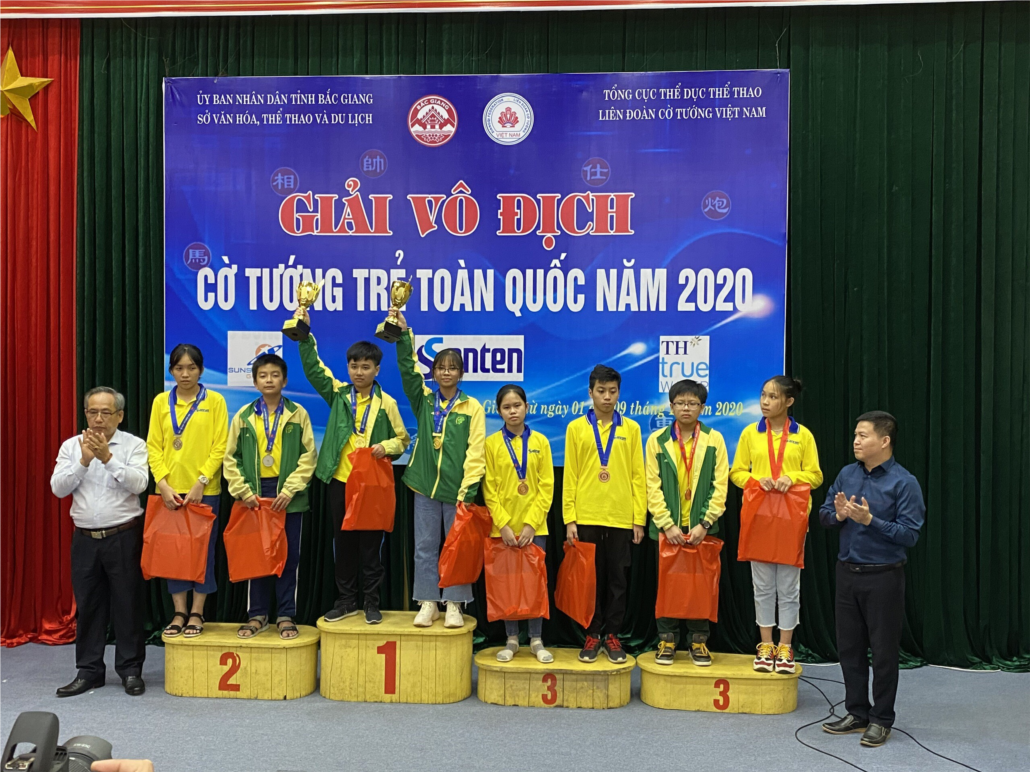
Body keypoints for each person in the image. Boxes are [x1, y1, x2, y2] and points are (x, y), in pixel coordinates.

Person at [819, 411, 925, 748]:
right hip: (846, 574)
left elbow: (909, 535)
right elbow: (823, 515)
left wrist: (870, 521)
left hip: (883, 578)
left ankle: (881, 719)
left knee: (883, 652)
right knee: (849, 649)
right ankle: (857, 712)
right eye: (855, 435)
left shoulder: (904, 482)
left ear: (884, 440)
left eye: (863, 435)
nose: (856, 441)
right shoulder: (847, 474)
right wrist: (837, 515)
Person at [295, 312, 410, 624]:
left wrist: (385, 447)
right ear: (348, 368)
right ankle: (346, 601)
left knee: (371, 547)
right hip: (341, 481)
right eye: (354, 366)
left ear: (377, 370)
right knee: (343, 545)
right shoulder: (338, 395)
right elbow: (314, 370)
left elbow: (403, 439)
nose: (359, 372)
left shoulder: (387, 403)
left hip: (371, 484)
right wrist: (305, 336)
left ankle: (372, 602)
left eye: (366, 366)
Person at [50, 387, 149, 697]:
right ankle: (89, 671)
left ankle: (130, 670)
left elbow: (140, 484)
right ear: (85, 414)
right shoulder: (71, 446)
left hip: (123, 536)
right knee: (89, 606)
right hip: (85, 540)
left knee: (127, 605)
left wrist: (108, 459)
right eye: (92, 412)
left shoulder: (133, 445)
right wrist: (83, 460)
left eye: (106, 413)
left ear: (119, 416)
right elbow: (58, 488)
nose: (98, 419)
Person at [395, 311, 486, 628]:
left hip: (457, 490)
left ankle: (455, 603)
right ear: (433, 372)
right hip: (424, 487)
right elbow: (408, 371)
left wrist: (468, 490)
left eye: (452, 368)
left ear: (461, 373)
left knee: (457, 548)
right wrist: (404, 335)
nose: (446, 372)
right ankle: (428, 601)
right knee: (424, 547)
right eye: (441, 367)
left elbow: (476, 451)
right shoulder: (423, 400)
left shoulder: (472, 407)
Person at [730, 376, 823, 674]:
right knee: (762, 585)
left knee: (788, 586)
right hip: (759, 516)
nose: (765, 402)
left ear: (789, 401)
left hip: (792, 518)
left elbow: (816, 475)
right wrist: (757, 480)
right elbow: (737, 473)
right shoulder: (750, 433)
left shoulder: (803, 435)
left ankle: (785, 646)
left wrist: (791, 478)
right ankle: (766, 644)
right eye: (763, 395)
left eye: (773, 397)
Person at [224, 353, 317, 640]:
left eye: (275, 375)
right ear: (255, 382)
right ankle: (258, 614)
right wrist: (244, 491)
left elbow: (309, 456)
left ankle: (286, 614)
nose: (269, 380)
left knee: (288, 557)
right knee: (257, 557)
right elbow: (231, 458)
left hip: (287, 496)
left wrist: (289, 489)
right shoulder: (244, 416)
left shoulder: (298, 413)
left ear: (284, 380)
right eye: (263, 375)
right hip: (253, 495)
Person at [563, 365, 646, 664]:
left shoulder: (631, 429)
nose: (607, 397)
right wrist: (570, 519)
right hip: (586, 515)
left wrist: (639, 519)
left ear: (619, 393)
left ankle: (612, 634)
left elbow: (638, 476)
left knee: (617, 579)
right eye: (601, 391)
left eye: (612, 391)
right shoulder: (576, 428)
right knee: (590, 580)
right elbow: (570, 475)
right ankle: (592, 633)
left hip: (621, 516)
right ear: (590, 392)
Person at [146, 344, 228, 639]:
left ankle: (197, 611)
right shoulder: (161, 402)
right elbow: (153, 446)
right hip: (170, 492)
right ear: (171, 371)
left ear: (201, 370)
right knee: (173, 554)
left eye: (191, 368)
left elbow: (220, 445)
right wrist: (163, 484)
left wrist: (202, 481)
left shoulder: (215, 401)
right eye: (179, 368)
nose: (185, 374)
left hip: (205, 490)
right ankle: (179, 612)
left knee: (203, 553)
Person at [646, 379, 728, 667]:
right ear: (671, 406)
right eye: (680, 403)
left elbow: (720, 485)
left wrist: (705, 522)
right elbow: (651, 487)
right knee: (667, 586)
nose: (686, 408)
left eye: (692, 403)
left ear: (701, 407)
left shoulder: (714, 439)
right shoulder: (657, 441)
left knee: (700, 587)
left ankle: (698, 640)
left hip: (701, 529)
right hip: (666, 530)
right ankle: (667, 639)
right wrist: (666, 524)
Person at [482, 384, 555, 663]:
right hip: (502, 530)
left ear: (527, 407)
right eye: (506, 407)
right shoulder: (491, 444)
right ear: (499, 411)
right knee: (507, 585)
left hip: (534, 529)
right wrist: (503, 525)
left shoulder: (541, 442)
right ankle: (511, 639)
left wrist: (531, 525)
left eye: (517, 405)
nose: (513, 411)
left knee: (535, 583)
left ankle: (536, 639)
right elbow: (489, 489)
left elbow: (546, 487)